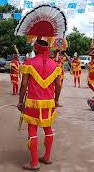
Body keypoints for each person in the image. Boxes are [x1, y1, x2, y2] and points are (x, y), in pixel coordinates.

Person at [18, 40, 62, 170]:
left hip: (33, 103)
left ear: (35, 49)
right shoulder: (55, 65)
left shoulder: (29, 63)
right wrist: (56, 100)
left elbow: (24, 84)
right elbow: (58, 85)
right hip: (48, 102)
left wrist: (20, 101)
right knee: (48, 128)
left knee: (32, 130)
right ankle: (47, 157)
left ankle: (34, 162)